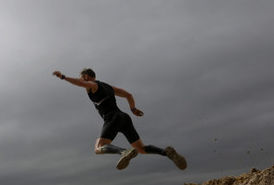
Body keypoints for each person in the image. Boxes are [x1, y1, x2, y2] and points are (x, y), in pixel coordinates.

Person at [52, 68, 186, 170]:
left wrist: (63, 77)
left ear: (86, 77)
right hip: (124, 117)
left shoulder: (93, 85)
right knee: (140, 148)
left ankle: (123, 151)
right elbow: (128, 95)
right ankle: (166, 152)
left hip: (112, 118)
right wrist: (133, 109)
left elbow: (81, 83)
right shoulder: (109, 87)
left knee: (98, 147)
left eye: (83, 79)